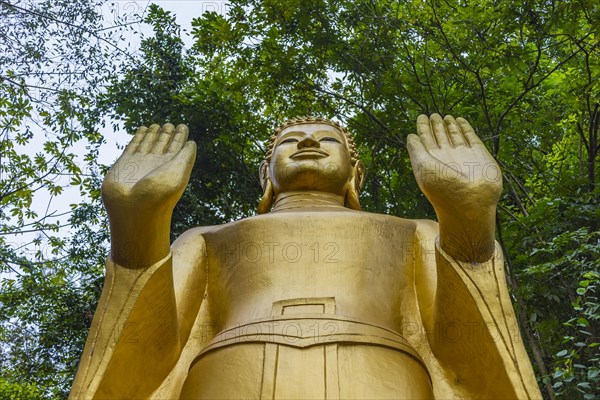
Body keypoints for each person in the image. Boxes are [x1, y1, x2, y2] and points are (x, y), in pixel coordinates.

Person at [70, 115, 541, 399]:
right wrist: (137, 225)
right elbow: (150, 357)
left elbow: (459, 354)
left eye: (326, 139)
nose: (309, 143)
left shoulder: (413, 231)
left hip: (380, 377)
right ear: (265, 175)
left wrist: (469, 220)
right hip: (230, 377)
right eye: (290, 141)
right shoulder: (210, 237)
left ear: (354, 172)